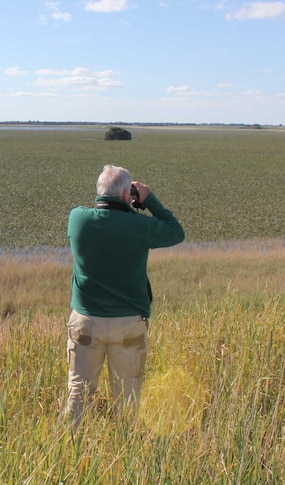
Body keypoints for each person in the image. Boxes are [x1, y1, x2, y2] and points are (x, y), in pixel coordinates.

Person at [64, 165, 184, 427]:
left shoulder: (77, 219)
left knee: (78, 394)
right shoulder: (140, 226)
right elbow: (176, 232)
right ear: (126, 195)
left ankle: (68, 447)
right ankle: (126, 451)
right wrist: (148, 199)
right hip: (129, 324)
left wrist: (127, 201)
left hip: (86, 323)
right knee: (128, 397)